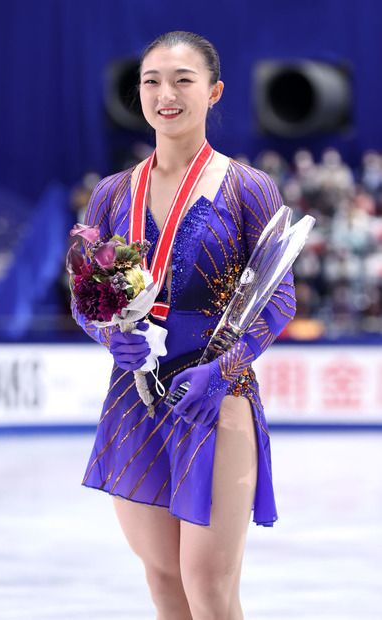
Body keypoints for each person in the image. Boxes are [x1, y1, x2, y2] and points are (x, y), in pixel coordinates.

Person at [71, 31, 295, 620]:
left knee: (209, 587)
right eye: (151, 81)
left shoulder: (248, 189)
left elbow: (277, 301)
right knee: (166, 582)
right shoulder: (113, 194)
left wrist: (223, 370)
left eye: (182, 80)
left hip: (216, 395)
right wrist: (108, 335)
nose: (165, 94)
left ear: (215, 92)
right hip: (133, 396)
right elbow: (84, 296)